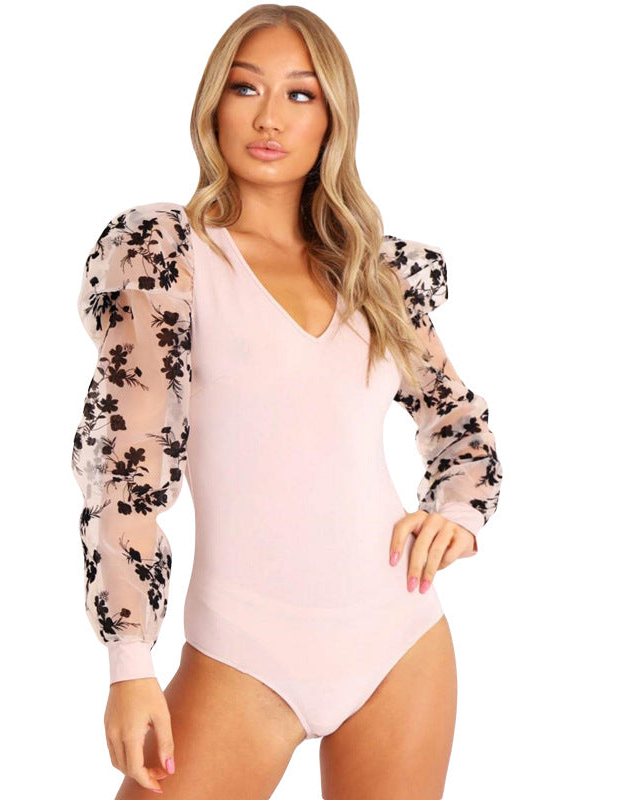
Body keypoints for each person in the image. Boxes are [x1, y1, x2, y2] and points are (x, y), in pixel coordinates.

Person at [71, 5, 503, 798]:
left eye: (301, 95)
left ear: (333, 118)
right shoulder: (166, 256)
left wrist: (459, 515)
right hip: (243, 651)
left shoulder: (375, 274)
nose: (270, 118)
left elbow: (461, 429)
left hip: (399, 636)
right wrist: (130, 664)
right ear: (213, 104)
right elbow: (126, 469)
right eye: (246, 88)